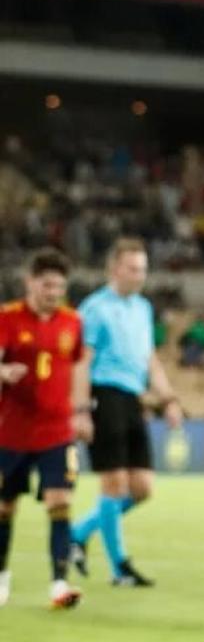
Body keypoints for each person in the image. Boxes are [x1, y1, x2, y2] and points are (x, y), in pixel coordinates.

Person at [68, 238, 182, 587]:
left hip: (132, 398)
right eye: (133, 268)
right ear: (115, 269)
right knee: (114, 484)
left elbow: (149, 359)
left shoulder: (143, 309)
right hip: (104, 395)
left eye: (143, 269)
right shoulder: (95, 308)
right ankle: (120, 568)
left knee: (142, 487)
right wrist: (81, 409)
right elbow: (81, 362)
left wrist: (168, 399)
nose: (140, 276)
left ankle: (77, 533)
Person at [0, 249, 91, 610]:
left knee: (60, 501)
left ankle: (59, 584)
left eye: (60, 286)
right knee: (5, 507)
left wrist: (82, 411)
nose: (54, 292)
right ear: (30, 282)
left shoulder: (72, 321)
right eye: (47, 284)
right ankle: (2, 578)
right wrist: (3, 373)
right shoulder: (7, 318)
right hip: (12, 432)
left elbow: (79, 366)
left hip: (56, 430)